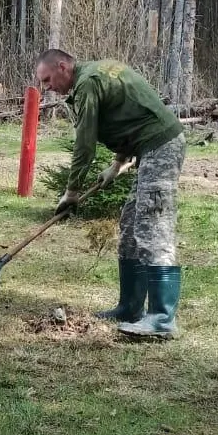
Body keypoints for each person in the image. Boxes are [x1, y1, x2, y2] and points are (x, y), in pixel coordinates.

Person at [33, 49, 186, 339]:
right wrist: (116, 164)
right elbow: (128, 114)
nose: (47, 88)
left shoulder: (87, 83)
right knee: (130, 225)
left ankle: (162, 319)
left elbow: (85, 141)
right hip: (147, 146)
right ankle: (130, 307)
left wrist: (72, 190)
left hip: (160, 146)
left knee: (153, 227)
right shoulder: (95, 73)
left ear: (63, 67)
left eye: (48, 79)